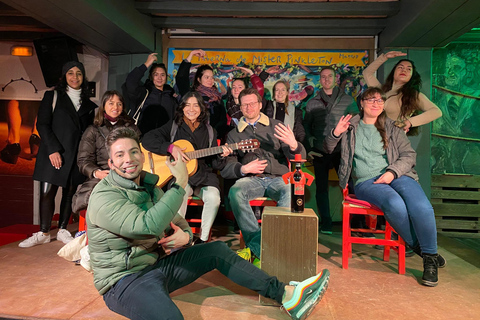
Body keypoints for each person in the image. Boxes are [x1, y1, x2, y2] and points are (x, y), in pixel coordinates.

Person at [87, 126, 329, 320]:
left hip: (156, 267)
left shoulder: (148, 185)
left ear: (140, 154)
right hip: (124, 281)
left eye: (133, 151)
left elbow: (178, 221)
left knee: (216, 250)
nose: (128, 159)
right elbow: (146, 226)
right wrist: (180, 183)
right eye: (119, 155)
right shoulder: (103, 196)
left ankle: (287, 295)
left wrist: (185, 236)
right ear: (110, 164)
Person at [324, 87, 446, 287]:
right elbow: (328, 148)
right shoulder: (350, 126)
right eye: (371, 99)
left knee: (421, 207)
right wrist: (336, 132)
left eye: (380, 100)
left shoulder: (393, 127)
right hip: (366, 181)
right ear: (361, 103)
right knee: (394, 204)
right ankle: (421, 248)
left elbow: (409, 155)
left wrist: (392, 173)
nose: (376, 103)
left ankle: (429, 258)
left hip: (397, 174)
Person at [221, 88, 306, 261]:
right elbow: (226, 168)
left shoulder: (276, 126)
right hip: (251, 180)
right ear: (240, 107)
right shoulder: (233, 134)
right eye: (245, 104)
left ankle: (258, 248)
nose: (249, 107)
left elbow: (300, 158)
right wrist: (244, 169)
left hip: (279, 178)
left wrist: (293, 145)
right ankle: (267, 247)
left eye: (253, 103)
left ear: (260, 105)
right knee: (236, 192)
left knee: (291, 191)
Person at [19, 61, 97, 248]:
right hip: (53, 153)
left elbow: (88, 133)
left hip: (75, 155)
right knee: (47, 192)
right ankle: (43, 232)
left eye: (79, 74)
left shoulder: (88, 104)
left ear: (83, 77)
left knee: (69, 193)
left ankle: (62, 229)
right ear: (64, 77)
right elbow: (43, 124)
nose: (75, 77)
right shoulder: (52, 96)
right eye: (70, 73)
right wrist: (53, 149)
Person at [142, 91, 229, 243]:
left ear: (202, 108)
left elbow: (215, 164)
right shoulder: (174, 126)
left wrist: (222, 155)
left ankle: (202, 240)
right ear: (182, 108)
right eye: (187, 105)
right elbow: (147, 139)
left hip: (204, 176)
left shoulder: (210, 131)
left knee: (214, 198)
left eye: (196, 105)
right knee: (178, 196)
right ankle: (179, 235)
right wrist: (170, 148)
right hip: (181, 175)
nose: (191, 109)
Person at [304, 66, 358, 234]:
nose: (326, 79)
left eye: (329, 76)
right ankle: (326, 223)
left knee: (350, 185)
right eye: (323, 77)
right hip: (320, 150)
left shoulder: (347, 100)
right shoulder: (312, 102)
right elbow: (306, 126)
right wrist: (310, 144)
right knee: (321, 188)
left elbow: (357, 121)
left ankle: (356, 224)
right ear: (320, 80)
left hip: (341, 150)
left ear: (336, 79)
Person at [72, 90, 139, 214]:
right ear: (104, 106)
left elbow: (140, 153)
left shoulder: (131, 128)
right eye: (111, 103)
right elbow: (83, 160)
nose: (115, 107)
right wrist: (97, 173)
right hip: (104, 174)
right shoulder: (93, 130)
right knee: (94, 196)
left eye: (119, 104)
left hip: (128, 173)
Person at [362, 51, 442, 134]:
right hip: (372, 135)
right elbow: (367, 73)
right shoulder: (381, 90)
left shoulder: (413, 95)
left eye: (409, 69)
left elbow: (436, 111)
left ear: (412, 75)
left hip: (392, 139)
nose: (404, 70)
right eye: (400, 67)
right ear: (394, 71)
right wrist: (385, 57)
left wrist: (409, 122)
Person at [175, 49, 227, 139]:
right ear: (199, 79)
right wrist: (191, 54)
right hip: (192, 137)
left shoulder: (217, 97)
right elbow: (181, 78)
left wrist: (214, 135)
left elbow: (222, 121)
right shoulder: (192, 95)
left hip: (212, 140)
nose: (210, 80)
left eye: (212, 77)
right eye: (207, 77)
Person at [124, 53, 178, 136]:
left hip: (164, 140)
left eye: (162, 75)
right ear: (151, 76)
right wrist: (147, 64)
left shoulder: (171, 96)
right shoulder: (144, 92)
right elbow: (130, 81)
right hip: (142, 137)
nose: (159, 78)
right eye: (156, 74)